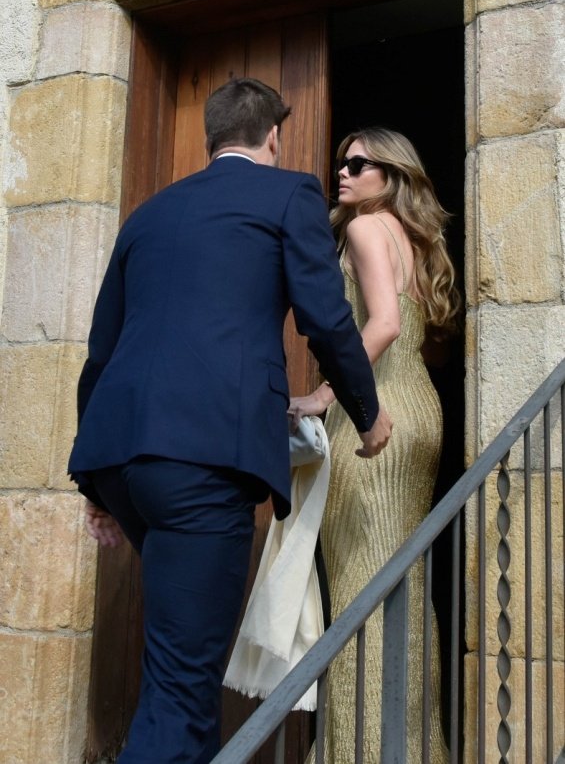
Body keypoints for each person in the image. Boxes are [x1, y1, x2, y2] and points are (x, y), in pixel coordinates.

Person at [68, 79, 392, 764]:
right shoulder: (288, 193)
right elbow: (326, 317)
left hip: (124, 461)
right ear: (272, 136)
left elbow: (101, 353)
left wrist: (97, 488)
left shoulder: (148, 214)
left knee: (171, 675)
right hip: (203, 462)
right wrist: (366, 413)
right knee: (182, 692)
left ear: (214, 136)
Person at [288, 127, 460, 762]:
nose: (343, 173)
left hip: (379, 412)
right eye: (342, 162)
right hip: (420, 409)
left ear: (390, 176)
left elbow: (384, 324)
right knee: (401, 594)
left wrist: (325, 396)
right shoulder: (414, 238)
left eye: (359, 165)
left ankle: (362, 751)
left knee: (362, 595)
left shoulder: (364, 228)